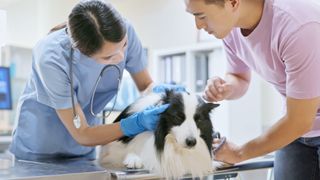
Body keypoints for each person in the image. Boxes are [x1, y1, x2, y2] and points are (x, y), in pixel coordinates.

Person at [9, 0, 182, 161]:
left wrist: (158, 91)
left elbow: (145, 85)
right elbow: (82, 133)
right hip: (40, 149)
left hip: (85, 149)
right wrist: (135, 123)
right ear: (82, 52)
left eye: (124, 45)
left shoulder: (125, 29)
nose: (121, 56)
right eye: (109, 57)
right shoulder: (51, 56)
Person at [185, 0, 320, 179]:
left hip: (299, 121)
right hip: (298, 127)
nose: (198, 25)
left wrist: (239, 152)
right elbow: (239, 77)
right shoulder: (231, 29)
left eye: (201, 16)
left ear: (233, 2)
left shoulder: (297, 26)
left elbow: (300, 120)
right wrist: (226, 87)